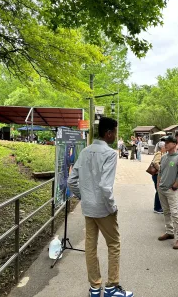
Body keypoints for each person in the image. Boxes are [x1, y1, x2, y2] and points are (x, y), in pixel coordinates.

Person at [67, 117, 133, 297]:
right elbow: (105, 186)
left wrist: (84, 197)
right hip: (103, 208)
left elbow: (71, 180)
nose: (115, 136)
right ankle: (112, 287)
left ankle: (95, 287)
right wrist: (112, 207)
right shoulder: (110, 154)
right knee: (113, 244)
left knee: (91, 245)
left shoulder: (86, 151)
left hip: (88, 207)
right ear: (109, 133)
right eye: (115, 132)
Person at [157, 135, 178, 250]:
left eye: (168, 142)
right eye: (165, 143)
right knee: (166, 211)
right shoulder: (164, 157)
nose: (166, 144)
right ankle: (169, 232)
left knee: (175, 213)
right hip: (162, 189)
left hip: (172, 190)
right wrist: (158, 183)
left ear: (174, 144)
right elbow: (160, 171)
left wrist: (175, 186)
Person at [151, 141, 166, 214]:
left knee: (159, 191)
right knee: (158, 191)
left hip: (157, 175)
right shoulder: (159, 153)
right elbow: (155, 162)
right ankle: (157, 208)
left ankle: (159, 207)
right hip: (156, 175)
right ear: (161, 147)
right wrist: (161, 170)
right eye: (164, 146)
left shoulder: (162, 153)